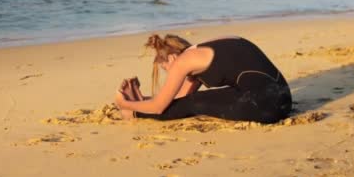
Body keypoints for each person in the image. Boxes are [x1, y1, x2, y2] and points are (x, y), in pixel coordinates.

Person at [115, 34, 292, 123]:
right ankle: (139, 106)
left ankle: (133, 113)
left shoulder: (183, 61)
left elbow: (160, 107)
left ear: (171, 58)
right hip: (284, 98)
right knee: (189, 102)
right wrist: (146, 100)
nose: (170, 73)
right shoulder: (203, 52)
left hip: (267, 106)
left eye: (165, 69)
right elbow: (178, 100)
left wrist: (127, 104)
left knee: (194, 104)